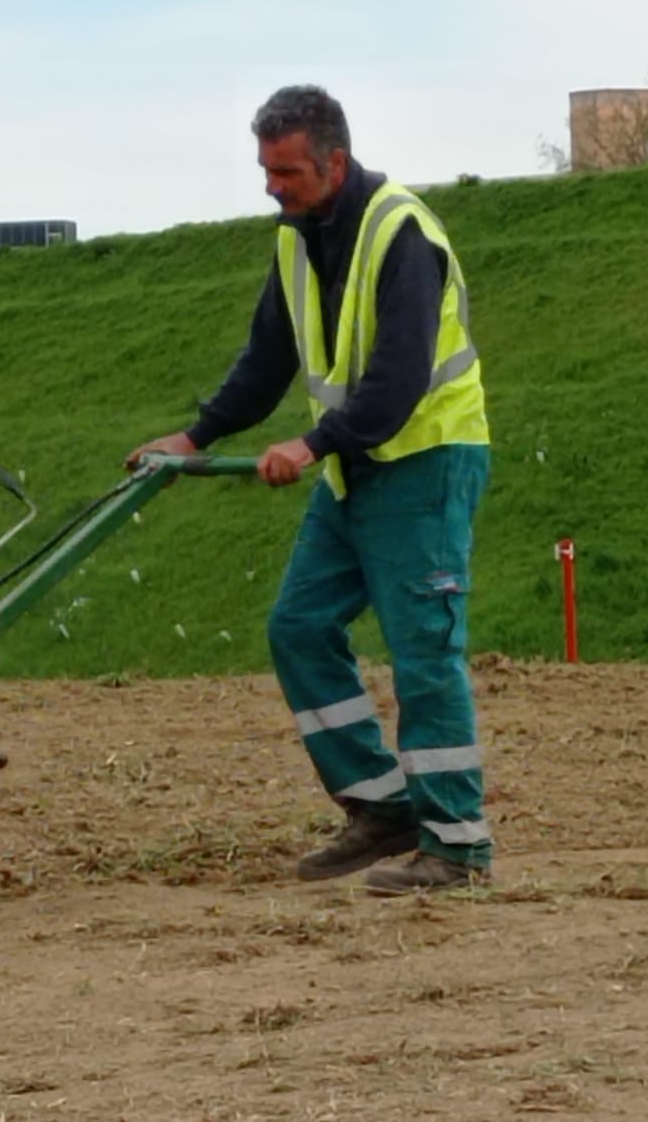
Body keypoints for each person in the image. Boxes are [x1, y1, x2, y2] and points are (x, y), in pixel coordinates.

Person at [127, 84, 493, 894]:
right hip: (355, 464)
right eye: (265, 169)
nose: (271, 186)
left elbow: (398, 379)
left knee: (424, 652)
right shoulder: (296, 239)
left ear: (334, 162)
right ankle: (380, 806)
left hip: (426, 457)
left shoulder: (402, 234)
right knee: (298, 626)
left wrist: (312, 441)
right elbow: (268, 358)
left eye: (285, 171)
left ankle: (458, 843)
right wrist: (196, 436)